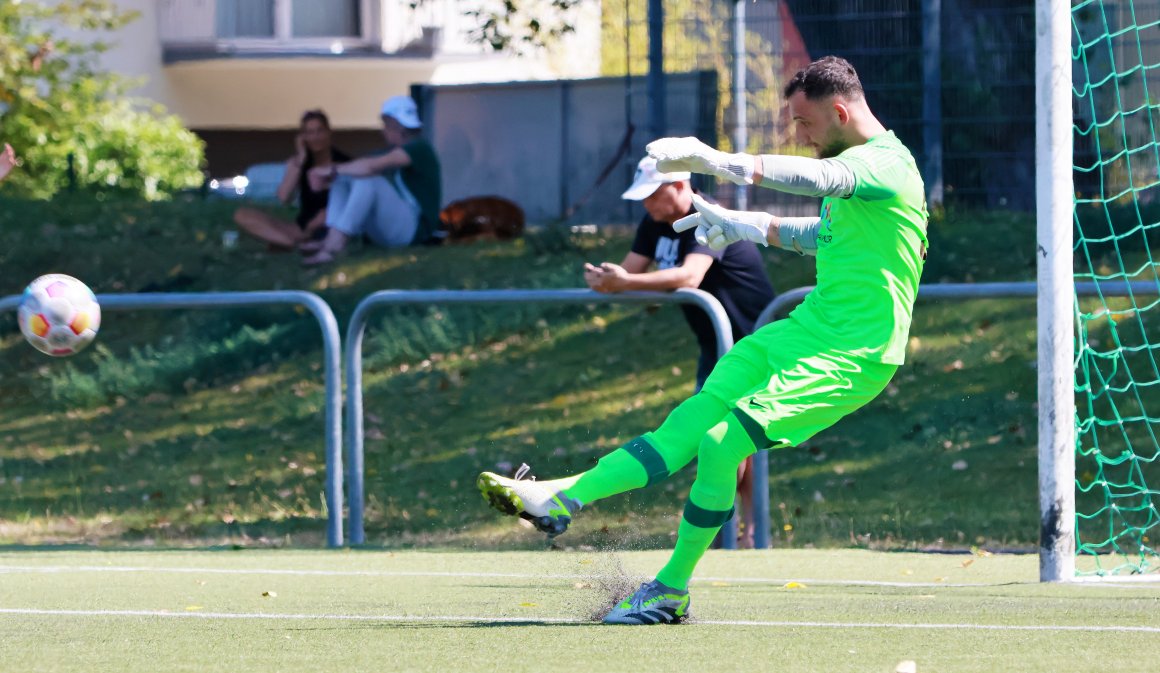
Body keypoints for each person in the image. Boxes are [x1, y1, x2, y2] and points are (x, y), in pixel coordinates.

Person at [476, 56, 928, 624]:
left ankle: (670, 591)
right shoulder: (857, 173)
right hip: (803, 330)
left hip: (856, 352)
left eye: (806, 125)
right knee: (690, 422)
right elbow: (826, 234)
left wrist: (720, 163)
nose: (803, 136)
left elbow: (819, 180)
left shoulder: (884, 164)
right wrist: (745, 225)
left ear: (840, 111)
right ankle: (565, 495)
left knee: (721, 442)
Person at [584, 155, 776, 548]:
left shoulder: (708, 217)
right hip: (715, 344)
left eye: (652, 196)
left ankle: (743, 535)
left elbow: (690, 275)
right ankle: (738, 535)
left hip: (750, 341)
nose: (647, 206)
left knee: (727, 439)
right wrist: (608, 280)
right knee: (724, 441)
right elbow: (631, 272)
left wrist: (627, 284)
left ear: (678, 187)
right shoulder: (653, 222)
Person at [301, 95, 442, 265]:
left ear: (395, 124)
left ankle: (335, 245)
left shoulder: (420, 148)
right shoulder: (396, 150)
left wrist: (329, 170)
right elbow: (359, 165)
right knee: (344, 177)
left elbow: (370, 167)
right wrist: (330, 174)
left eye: (386, 125)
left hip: (414, 231)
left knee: (368, 181)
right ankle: (331, 238)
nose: (383, 130)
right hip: (396, 230)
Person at [233, 110, 350, 251]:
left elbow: (346, 203)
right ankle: (290, 243)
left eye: (319, 131)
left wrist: (316, 223)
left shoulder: (343, 163)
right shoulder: (299, 163)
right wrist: (300, 160)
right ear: (303, 137)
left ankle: (288, 243)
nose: (315, 137)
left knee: (323, 217)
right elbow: (284, 197)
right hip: (301, 227)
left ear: (328, 132)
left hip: (329, 226)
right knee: (242, 214)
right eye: (310, 133)